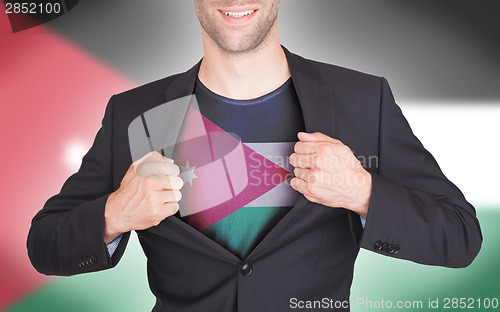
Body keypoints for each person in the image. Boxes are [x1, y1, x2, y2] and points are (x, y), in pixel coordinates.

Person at [27, 1, 482, 311]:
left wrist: (363, 192)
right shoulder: (135, 113)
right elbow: (45, 245)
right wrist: (114, 214)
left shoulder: (362, 100)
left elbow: (460, 237)